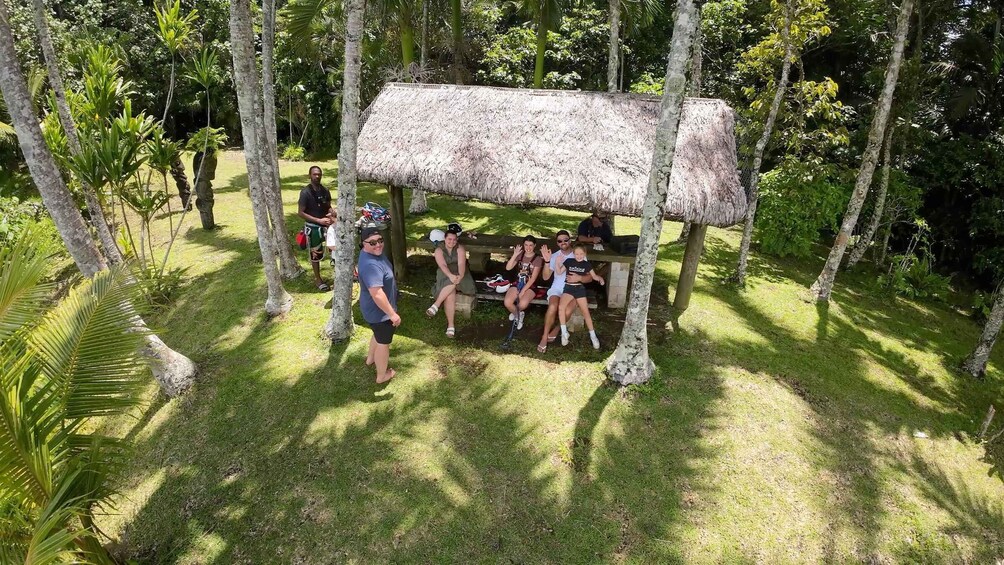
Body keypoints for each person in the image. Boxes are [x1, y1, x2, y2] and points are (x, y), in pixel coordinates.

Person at [537, 230, 591, 353]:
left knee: (567, 310)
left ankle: (557, 329)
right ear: (557, 243)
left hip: (573, 290)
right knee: (552, 307)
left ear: (570, 240)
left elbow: (589, 277)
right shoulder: (555, 256)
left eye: (566, 240)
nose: (563, 242)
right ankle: (544, 336)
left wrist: (580, 278)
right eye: (560, 241)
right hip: (556, 288)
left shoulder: (578, 254)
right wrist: (547, 262)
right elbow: (545, 277)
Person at [358, 226, 400, 384]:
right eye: (373, 242)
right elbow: (376, 293)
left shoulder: (371, 254)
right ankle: (382, 376)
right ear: (363, 244)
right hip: (379, 312)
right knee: (384, 342)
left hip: (372, 310)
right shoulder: (371, 265)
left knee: (377, 333)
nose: (378, 245)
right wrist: (392, 314)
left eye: (380, 240)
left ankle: (370, 359)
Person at [427, 230, 476, 338]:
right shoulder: (439, 250)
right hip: (445, 273)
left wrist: (460, 276)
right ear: (445, 239)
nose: (452, 241)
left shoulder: (460, 249)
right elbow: (443, 265)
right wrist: (450, 276)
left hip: (460, 273)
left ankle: (436, 305)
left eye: (454, 239)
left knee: (451, 286)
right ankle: (451, 325)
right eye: (449, 239)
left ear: (456, 240)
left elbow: (462, 264)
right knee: (450, 293)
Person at [557, 245, 605, 349]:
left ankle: (593, 335)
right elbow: (559, 271)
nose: (579, 256)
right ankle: (564, 332)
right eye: (577, 254)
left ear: (585, 254)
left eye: (581, 254)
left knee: (585, 311)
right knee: (561, 307)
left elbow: (594, 276)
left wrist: (600, 278)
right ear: (573, 254)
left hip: (579, 289)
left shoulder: (586, 264)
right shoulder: (569, 261)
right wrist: (558, 261)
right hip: (568, 288)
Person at [298, 165, 337, 291]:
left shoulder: (325, 190)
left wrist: (333, 213)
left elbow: (328, 206)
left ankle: (338, 275)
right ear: (310, 175)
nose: (317, 176)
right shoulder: (305, 192)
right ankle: (318, 279)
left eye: (319, 174)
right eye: (314, 174)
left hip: (327, 226)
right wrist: (318, 220)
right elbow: (300, 212)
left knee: (334, 249)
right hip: (313, 227)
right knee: (315, 253)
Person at [503, 235, 544, 330]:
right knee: (507, 302)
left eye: (530, 245)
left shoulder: (537, 259)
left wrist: (522, 292)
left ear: (534, 246)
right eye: (526, 245)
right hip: (518, 282)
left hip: (530, 285)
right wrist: (514, 255)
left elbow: (533, 279)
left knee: (523, 304)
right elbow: (508, 268)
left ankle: (517, 313)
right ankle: (518, 315)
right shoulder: (520, 256)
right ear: (523, 245)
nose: (528, 248)